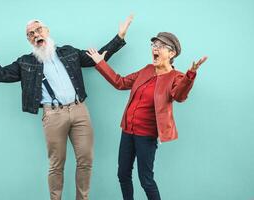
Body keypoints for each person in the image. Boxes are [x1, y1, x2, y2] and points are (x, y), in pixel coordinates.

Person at [0, 15, 133, 200]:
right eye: (30, 34)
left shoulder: (69, 52)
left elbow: (96, 58)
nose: (36, 35)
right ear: (29, 40)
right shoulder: (25, 62)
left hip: (79, 111)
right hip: (53, 116)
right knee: (56, 164)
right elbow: (0, 75)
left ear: (47, 31)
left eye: (38, 30)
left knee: (85, 161)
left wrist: (119, 37)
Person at [86, 32, 207, 200]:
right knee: (123, 174)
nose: (155, 49)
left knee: (146, 180)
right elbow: (120, 83)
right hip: (127, 130)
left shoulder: (176, 77)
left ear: (172, 53)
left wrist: (190, 75)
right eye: (154, 46)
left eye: (160, 46)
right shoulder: (147, 70)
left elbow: (179, 96)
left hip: (147, 135)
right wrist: (100, 62)